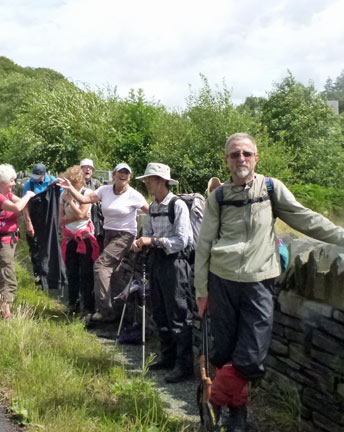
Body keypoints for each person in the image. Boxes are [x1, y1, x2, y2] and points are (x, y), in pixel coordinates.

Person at [195, 133, 344, 431]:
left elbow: (305, 218)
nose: (241, 159)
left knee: (250, 356)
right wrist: (201, 290)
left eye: (246, 154)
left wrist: (341, 236)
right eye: (234, 154)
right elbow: (204, 244)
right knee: (224, 352)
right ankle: (238, 418)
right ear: (226, 160)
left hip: (259, 281)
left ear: (256, 157)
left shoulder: (271, 188)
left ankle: (212, 402)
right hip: (221, 281)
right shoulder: (218, 197)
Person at [58, 163, 148, 323]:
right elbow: (84, 199)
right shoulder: (105, 190)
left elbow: (151, 212)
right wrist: (71, 188)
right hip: (108, 234)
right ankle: (120, 311)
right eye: (121, 172)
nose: (123, 175)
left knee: (101, 267)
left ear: (130, 176)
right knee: (114, 273)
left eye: (127, 173)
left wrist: (149, 235)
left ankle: (105, 312)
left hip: (125, 235)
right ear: (114, 174)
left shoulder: (134, 195)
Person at [132, 163, 195, 383]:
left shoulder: (177, 206)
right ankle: (168, 356)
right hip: (157, 261)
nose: (147, 183)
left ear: (162, 181)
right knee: (159, 310)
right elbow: (148, 231)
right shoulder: (154, 206)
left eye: (150, 179)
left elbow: (182, 240)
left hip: (175, 263)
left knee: (178, 312)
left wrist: (153, 241)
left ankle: (184, 364)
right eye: (147, 179)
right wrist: (142, 242)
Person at [0, 164, 35, 319]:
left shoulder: (7, 194)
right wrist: (28, 195)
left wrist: (28, 221)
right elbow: (17, 207)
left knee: (1, 275)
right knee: (9, 278)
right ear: (2, 182)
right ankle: (6, 313)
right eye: (11, 181)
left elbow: (22, 204)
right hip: (1, 243)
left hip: (10, 240)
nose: (14, 184)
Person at [59, 165, 100, 314]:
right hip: (70, 238)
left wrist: (70, 203)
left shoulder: (86, 193)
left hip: (85, 238)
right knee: (72, 272)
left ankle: (88, 308)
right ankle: (73, 303)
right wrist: (76, 216)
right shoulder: (63, 194)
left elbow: (83, 215)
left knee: (86, 274)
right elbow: (60, 220)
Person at [23, 163, 57, 284]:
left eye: (37, 176)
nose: (34, 178)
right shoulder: (29, 184)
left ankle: (48, 275)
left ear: (44, 174)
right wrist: (28, 223)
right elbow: (25, 205)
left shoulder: (53, 183)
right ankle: (38, 274)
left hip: (49, 221)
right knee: (35, 249)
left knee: (49, 249)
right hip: (34, 220)